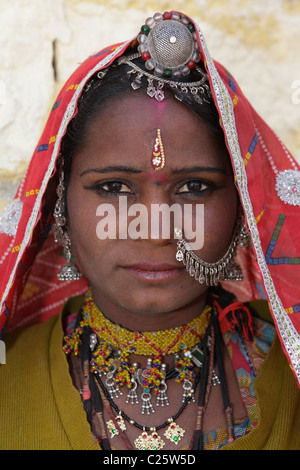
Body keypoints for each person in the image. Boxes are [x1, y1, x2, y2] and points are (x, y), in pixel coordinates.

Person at [0, 10, 299, 451]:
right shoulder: (9, 376)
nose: (156, 229)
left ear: (242, 207)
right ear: (58, 205)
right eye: (113, 187)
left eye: (195, 187)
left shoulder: (287, 373)